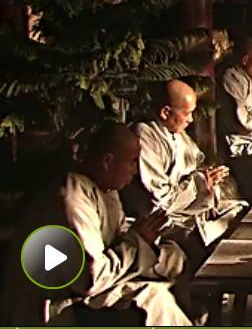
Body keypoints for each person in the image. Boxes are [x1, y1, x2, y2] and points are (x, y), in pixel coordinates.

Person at [2, 124, 194, 326]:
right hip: (52, 308)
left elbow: (119, 241)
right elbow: (90, 277)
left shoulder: (107, 192)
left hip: (85, 295)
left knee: (173, 263)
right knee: (154, 299)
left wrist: (149, 243)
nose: (135, 171)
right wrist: (137, 243)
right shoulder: (72, 193)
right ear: (107, 161)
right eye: (132, 162)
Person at [123, 79, 246, 257]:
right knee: (202, 238)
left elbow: (197, 162)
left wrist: (210, 176)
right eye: (187, 113)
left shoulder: (176, 133)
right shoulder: (146, 136)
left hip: (188, 205)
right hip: (162, 217)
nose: (191, 119)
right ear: (165, 112)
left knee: (238, 211)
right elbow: (160, 201)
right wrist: (199, 183)